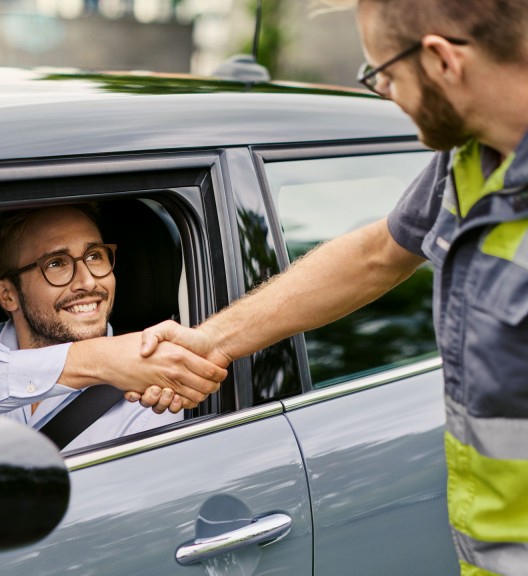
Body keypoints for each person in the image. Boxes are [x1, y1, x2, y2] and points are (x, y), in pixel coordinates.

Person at [137, 1, 528, 574]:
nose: (384, 93)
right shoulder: (470, 158)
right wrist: (214, 340)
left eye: (383, 75)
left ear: (443, 60)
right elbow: (376, 254)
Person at [0, 204, 225, 452]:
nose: (88, 281)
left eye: (94, 256)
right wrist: (95, 362)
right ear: (7, 294)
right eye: (56, 263)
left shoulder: (153, 390)